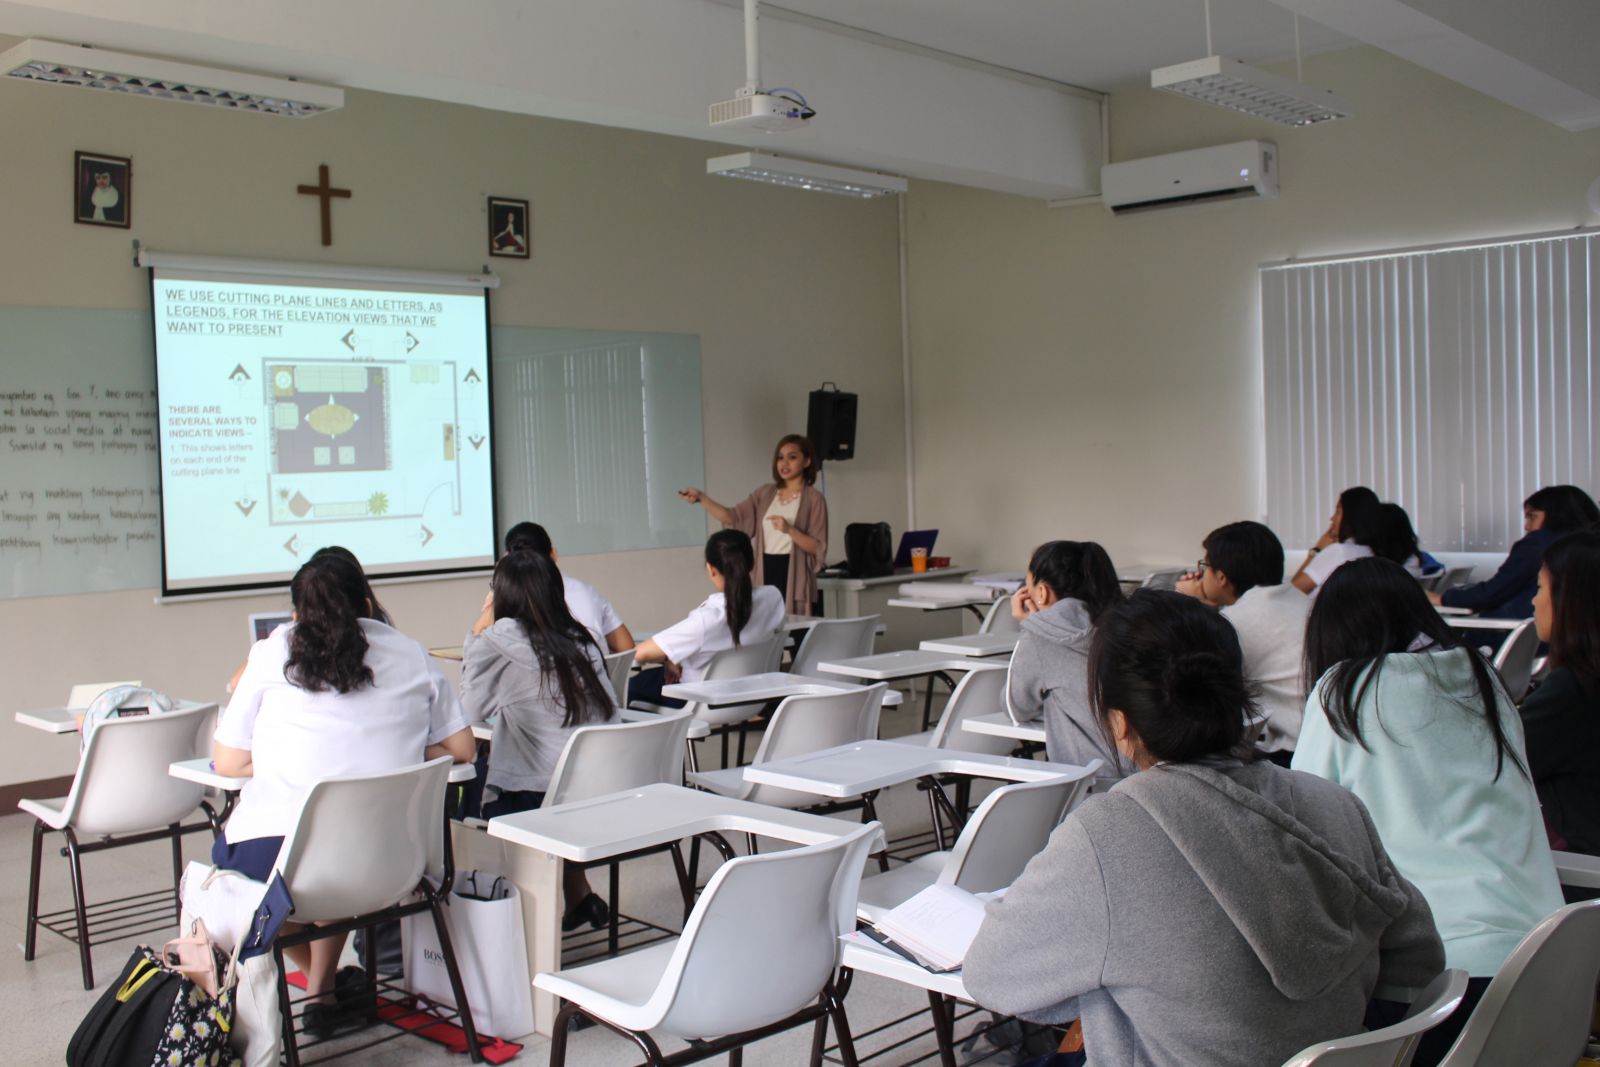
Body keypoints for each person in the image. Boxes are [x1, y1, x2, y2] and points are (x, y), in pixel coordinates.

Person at [964, 590, 1444, 1067]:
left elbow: (989, 976)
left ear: (1119, 722)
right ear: (1236, 695)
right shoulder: (1337, 805)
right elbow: (1418, 957)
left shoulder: (1105, 837)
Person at [1293, 557, 1564, 1064]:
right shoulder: (1479, 675)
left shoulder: (1343, 691)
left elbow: (1308, 827)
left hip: (1435, 978)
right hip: (1544, 954)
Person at [212, 553, 475, 1033]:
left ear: (297, 612)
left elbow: (227, 762)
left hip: (290, 873)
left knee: (270, 875)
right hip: (390, 865)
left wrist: (276, 754)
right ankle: (323, 988)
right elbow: (463, 748)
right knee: (334, 846)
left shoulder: (274, 651)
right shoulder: (407, 651)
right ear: (368, 602)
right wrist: (409, 741)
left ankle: (321, 986)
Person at [461, 548, 618, 928]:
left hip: (539, 804)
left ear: (501, 595)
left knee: (468, 787)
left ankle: (502, 925)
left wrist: (479, 625)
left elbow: (465, 712)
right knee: (549, 772)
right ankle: (580, 898)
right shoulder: (580, 640)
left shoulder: (498, 639)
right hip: (601, 796)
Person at [1176, 520, 1310, 765]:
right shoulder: (1302, 601)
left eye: (1205, 566)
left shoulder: (1234, 622)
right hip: (1317, 738)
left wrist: (1188, 605)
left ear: (1222, 577)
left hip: (1285, 753)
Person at [1005, 540, 1128, 789]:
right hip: (1149, 768)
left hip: (1089, 781)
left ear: (1041, 592)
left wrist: (1031, 626)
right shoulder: (1128, 620)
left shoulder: (1040, 636)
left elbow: (1017, 707)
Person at [628, 529, 785, 707]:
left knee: (631, 687)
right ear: (752, 563)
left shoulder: (707, 619)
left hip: (698, 700)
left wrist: (669, 659)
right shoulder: (773, 598)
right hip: (753, 698)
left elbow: (639, 653)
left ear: (711, 569)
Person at [679, 434, 827, 616]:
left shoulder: (814, 499)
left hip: (794, 573)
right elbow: (732, 517)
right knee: (766, 628)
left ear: (807, 462)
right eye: (780, 457)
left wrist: (790, 530)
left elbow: (818, 547)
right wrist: (701, 498)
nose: (784, 463)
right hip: (765, 568)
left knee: (794, 632)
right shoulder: (765, 493)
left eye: (792, 457)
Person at [1520, 530, 1600, 859]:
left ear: (1569, 599)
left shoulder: (1572, 690)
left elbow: (1493, 766)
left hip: (1579, 873)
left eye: (1540, 588)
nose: (1534, 600)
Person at [1431, 484, 1600, 618]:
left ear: (1558, 514)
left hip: (1516, 638)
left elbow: (1493, 593)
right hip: (1571, 643)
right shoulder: (1590, 546)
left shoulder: (1538, 545)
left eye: (1532, 516)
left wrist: (1442, 599)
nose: (1527, 526)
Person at [498, 521, 634, 652]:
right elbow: (627, 648)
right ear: (553, 554)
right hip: (598, 673)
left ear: (507, 560)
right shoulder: (586, 591)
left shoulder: (510, 599)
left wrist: (496, 589)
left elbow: (480, 654)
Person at [1290, 485, 1383, 594]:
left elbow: (1293, 592)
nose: (1332, 518)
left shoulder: (1338, 552)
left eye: (1338, 511)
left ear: (1352, 516)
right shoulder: (1370, 552)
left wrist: (1317, 549)